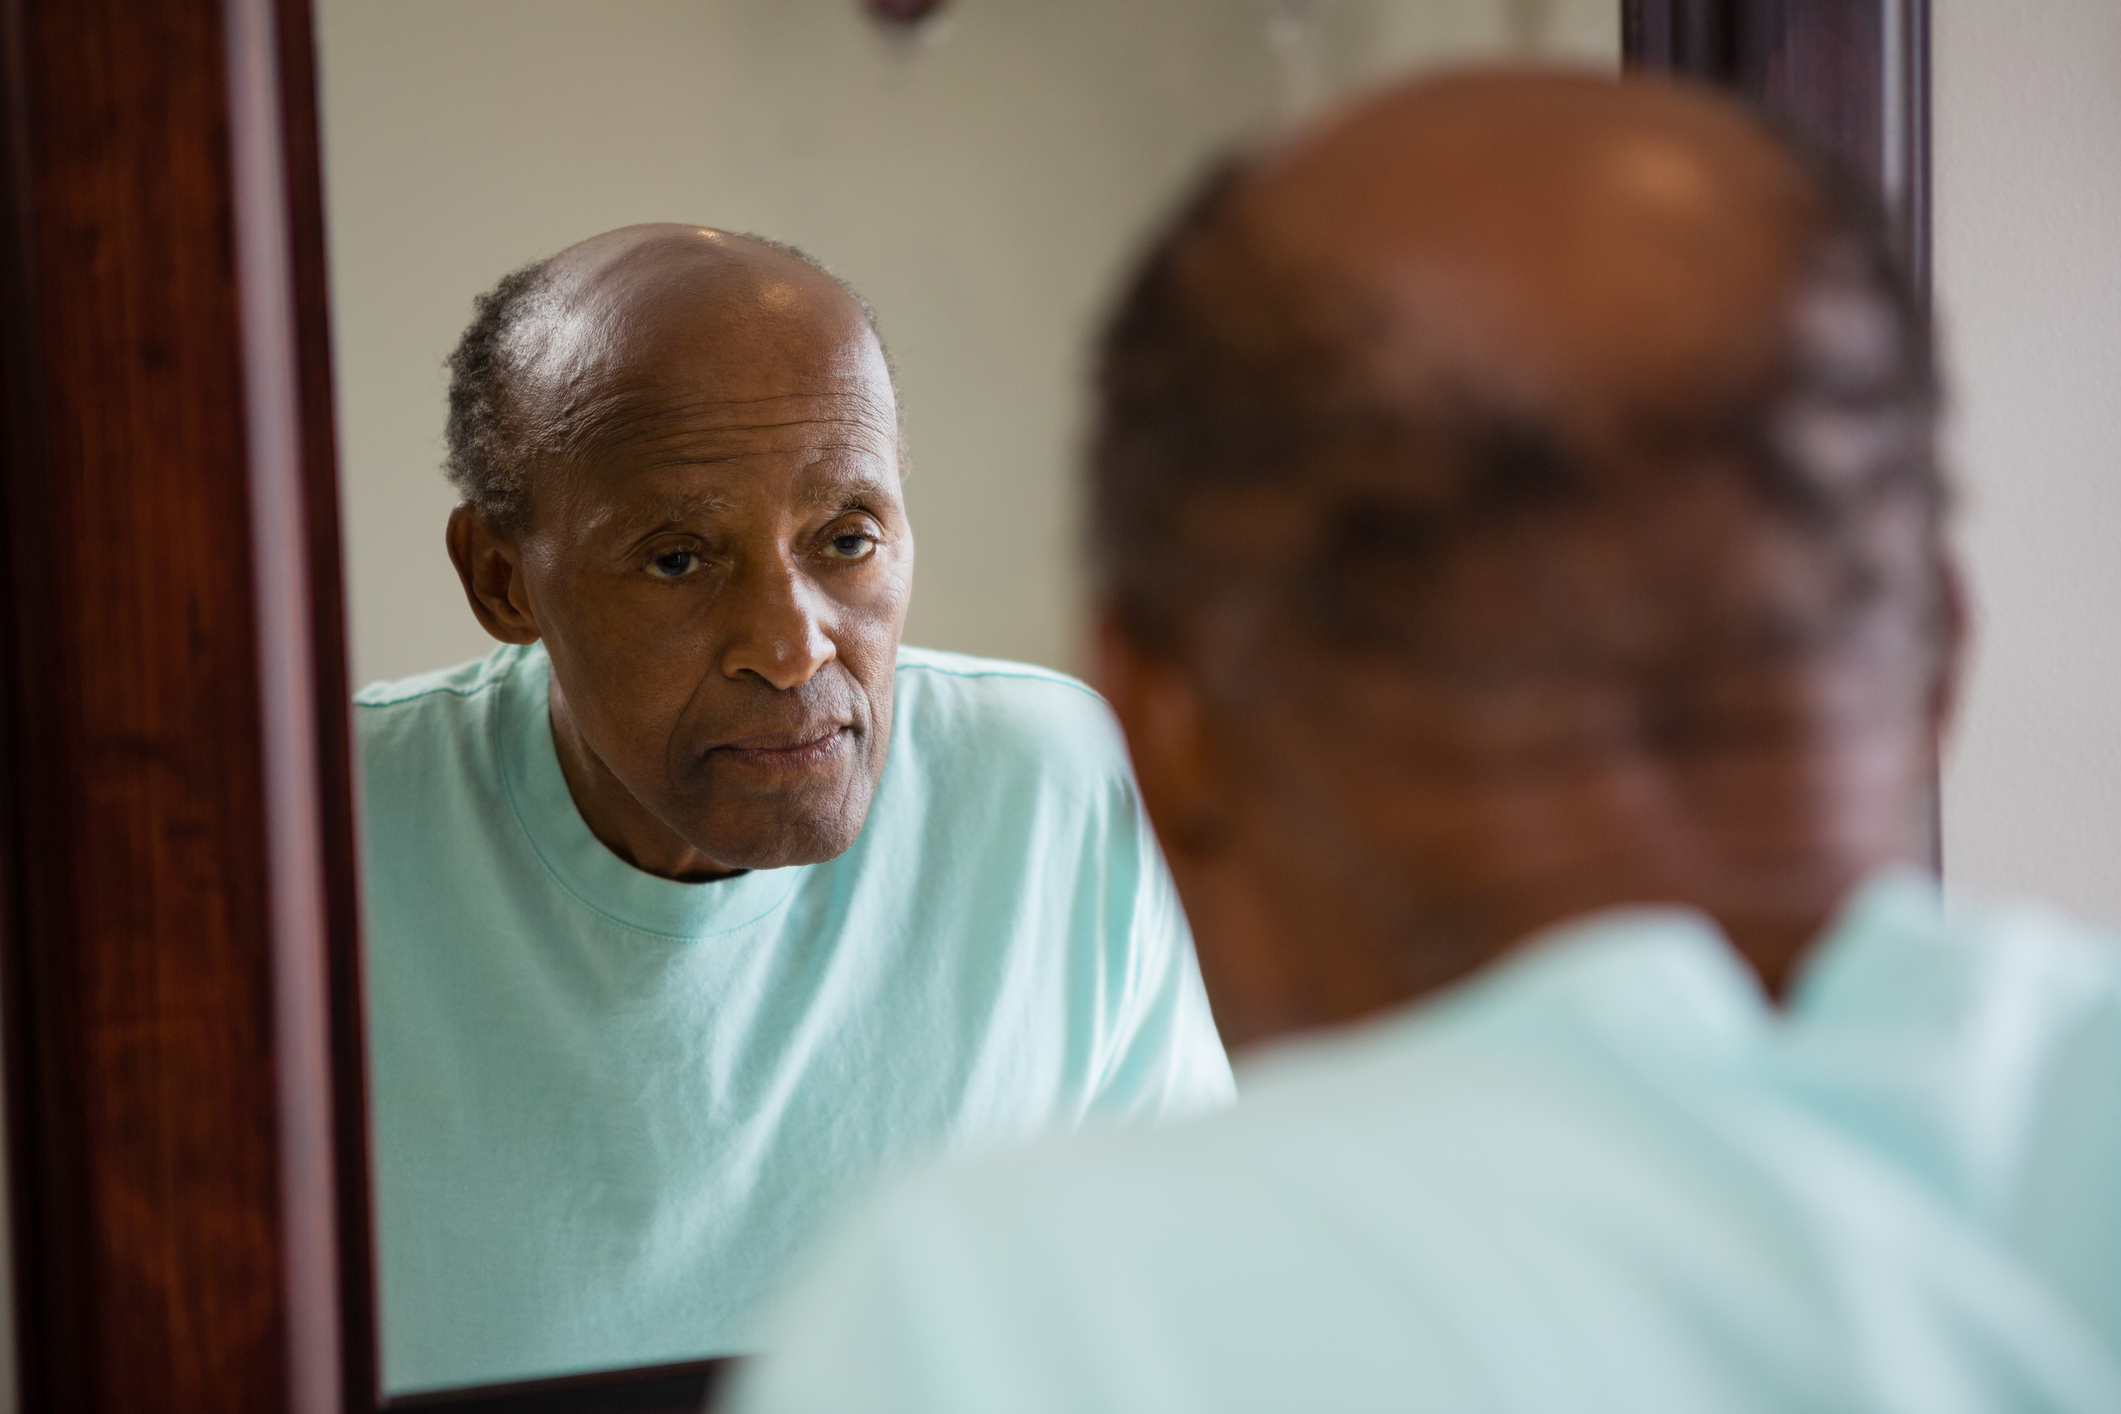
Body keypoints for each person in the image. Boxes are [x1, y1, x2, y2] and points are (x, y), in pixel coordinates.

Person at [731, 72, 2121, 1413]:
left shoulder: (1021, 1324)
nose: (789, 645)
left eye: (847, 539)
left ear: (1163, 720)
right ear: (1938, 659)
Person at [355, 225, 1233, 1393]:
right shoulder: (321, 841)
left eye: (847, 540)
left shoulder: (1049, 798)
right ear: (503, 580)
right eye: (677, 559)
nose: (792, 641)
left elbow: (1189, 1331)